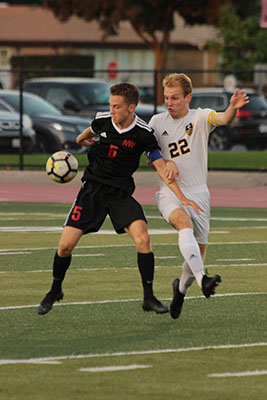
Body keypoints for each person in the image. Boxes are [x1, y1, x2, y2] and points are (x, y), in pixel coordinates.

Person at [37, 82, 201, 316]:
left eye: (116, 106)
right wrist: (84, 142)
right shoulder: (103, 120)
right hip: (92, 191)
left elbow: (160, 166)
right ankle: (55, 290)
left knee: (143, 238)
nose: (112, 110)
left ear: (131, 107)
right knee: (65, 246)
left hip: (120, 194)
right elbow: (85, 136)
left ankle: (149, 297)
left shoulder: (143, 134)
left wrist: (182, 197)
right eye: (111, 105)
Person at [149, 73, 249, 319]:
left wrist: (232, 109)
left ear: (188, 98)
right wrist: (166, 163)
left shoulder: (200, 117)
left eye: (175, 98)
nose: (169, 102)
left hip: (200, 194)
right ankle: (203, 279)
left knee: (198, 253)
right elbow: (149, 154)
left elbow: (224, 118)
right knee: (183, 221)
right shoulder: (156, 122)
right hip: (170, 193)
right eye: (166, 98)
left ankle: (180, 289)